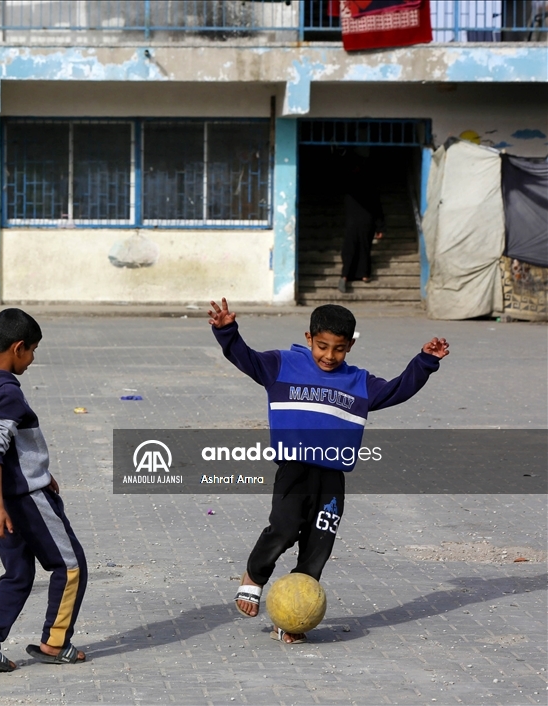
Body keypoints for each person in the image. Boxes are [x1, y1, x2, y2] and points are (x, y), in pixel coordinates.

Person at [208, 299, 449, 643]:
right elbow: (244, 357)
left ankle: (293, 618)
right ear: (309, 338)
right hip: (294, 470)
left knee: (319, 545)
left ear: (351, 345)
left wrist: (424, 362)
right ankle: (254, 576)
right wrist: (226, 330)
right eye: (322, 346)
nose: (329, 356)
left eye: (339, 349)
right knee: (285, 527)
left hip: (333, 476)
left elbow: (397, 389)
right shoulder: (282, 365)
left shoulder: (358, 382)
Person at [0, 308, 88, 672]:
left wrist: (39, 474)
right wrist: (2, 505)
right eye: (32, 350)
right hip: (22, 499)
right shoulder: (7, 394)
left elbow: (9, 447)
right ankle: (55, 642)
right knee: (71, 566)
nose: (32, 359)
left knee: (18, 573)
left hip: (0, 494)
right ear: (18, 348)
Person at [338, 153, 385, 293]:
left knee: (350, 247)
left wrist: (380, 226)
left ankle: (346, 276)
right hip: (366, 221)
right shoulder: (369, 185)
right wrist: (380, 226)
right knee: (364, 247)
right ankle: (363, 274)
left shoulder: (349, 183)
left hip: (355, 221)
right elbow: (377, 207)